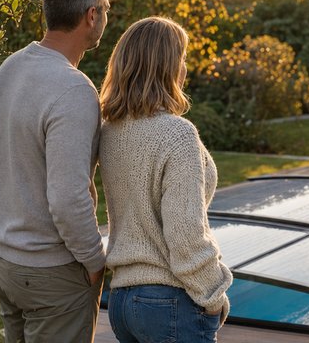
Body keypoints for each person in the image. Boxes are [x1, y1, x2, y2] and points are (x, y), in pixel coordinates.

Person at [0, 0, 111, 343]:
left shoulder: (10, 67)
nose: (107, 16)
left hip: (4, 261)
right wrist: (94, 261)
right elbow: (68, 198)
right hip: (50, 273)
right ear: (91, 16)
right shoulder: (73, 90)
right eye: (106, 9)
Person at [99, 17, 232, 343]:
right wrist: (214, 296)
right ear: (167, 67)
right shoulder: (177, 134)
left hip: (121, 302)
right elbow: (186, 232)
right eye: (182, 59)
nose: (185, 69)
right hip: (168, 300)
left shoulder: (110, 131)